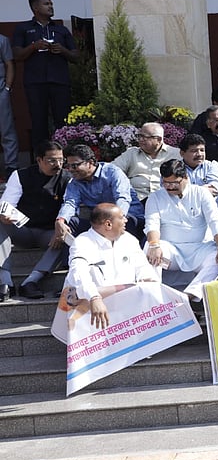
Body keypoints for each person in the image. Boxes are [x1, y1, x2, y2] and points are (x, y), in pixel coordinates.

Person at [65, 203, 157, 330]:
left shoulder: (129, 240)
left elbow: (143, 267)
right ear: (108, 224)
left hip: (126, 302)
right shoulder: (82, 242)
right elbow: (79, 273)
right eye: (122, 217)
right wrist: (94, 298)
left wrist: (148, 281)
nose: (126, 220)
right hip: (92, 303)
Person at [144, 160, 218, 299]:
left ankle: (189, 296)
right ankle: (154, 298)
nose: (169, 187)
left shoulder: (201, 193)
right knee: (149, 249)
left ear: (186, 177)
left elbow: (215, 221)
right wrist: (154, 245)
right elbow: (152, 224)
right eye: (166, 183)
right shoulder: (155, 197)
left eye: (174, 183)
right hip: (171, 252)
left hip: (200, 249)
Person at [0, 140, 70, 300]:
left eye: (61, 160)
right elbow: (6, 204)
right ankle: (5, 282)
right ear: (39, 160)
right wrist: (5, 215)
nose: (58, 164)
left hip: (50, 234)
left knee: (68, 235)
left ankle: (31, 282)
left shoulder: (67, 179)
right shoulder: (20, 175)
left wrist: (61, 227)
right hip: (23, 229)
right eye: (52, 160)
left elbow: (70, 206)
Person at [12, 0, 79, 145]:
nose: (51, 6)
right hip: (35, 83)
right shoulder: (23, 28)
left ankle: (66, 157)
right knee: (38, 121)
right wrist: (33, 46)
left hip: (60, 81)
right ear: (35, 7)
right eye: (46, 4)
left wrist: (62, 50)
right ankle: (41, 160)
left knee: (63, 120)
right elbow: (16, 54)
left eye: (51, 4)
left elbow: (76, 56)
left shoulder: (61, 29)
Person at [55, 144, 144, 241]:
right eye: (68, 166)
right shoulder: (75, 182)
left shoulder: (112, 172)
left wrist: (115, 219)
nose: (71, 170)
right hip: (101, 223)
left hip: (126, 218)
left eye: (75, 165)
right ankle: (75, 255)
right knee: (69, 223)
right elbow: (70, 202)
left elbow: (122, 198)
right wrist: (61, 220)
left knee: (124, 221)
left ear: (90, 162)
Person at [112, 122, 180, 202]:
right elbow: (112, 170)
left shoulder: (176, 154)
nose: (141, 140)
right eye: (140, 136)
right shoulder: (132, 153)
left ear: (158, 139)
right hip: (135, 201)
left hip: (166, 200)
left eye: (145, 137)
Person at [179, 134, 218, 198]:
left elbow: (215, 189)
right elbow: (176, 192)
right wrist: (203, 191)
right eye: (194, 151)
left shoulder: (212, 166)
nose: (199, 154)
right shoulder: (175, 168)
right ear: (182, 153)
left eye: (202, 150)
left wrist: (189, 192)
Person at [0, 32, 19, 178]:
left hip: (1, 90)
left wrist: (7, 88)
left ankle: (11, 167)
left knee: (7, 130)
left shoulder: (2, 40)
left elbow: (9, 64)